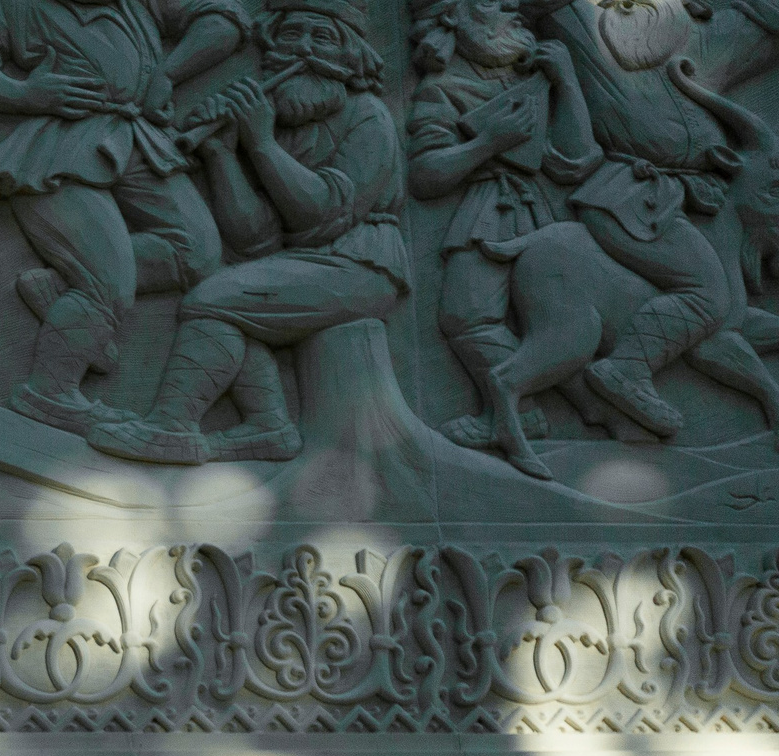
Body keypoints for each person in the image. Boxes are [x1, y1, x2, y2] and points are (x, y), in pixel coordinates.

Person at [88, 0, 409, 464]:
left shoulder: (368, 116)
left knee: (215, 297)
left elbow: (322, 214)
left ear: (350, 56)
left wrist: (259, 144)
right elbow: (254, 241)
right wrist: (220, 153)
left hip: (361, 266)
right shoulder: (276, 119)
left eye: (321, 39)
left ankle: (170, 426)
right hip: (306, 263)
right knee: (224, 290)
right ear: (272, 48)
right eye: (291, 35)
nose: (303, 49)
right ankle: (268, 426)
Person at [0, 0, 244, 433]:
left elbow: (223, 20)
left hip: (136, 140)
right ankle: (50, 391)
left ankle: (66, 288)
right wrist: (24, 94)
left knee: (196, 253)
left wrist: (168, 74)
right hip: (58, 150)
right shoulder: (9, 6)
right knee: (110, 282)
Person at [515, 0, 779, 438]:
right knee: (709, 294)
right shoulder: (590, 40)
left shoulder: (674, 66)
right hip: (624, 202)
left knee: (720, 302)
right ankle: (625, 370)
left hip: (656, 205)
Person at [405, 0, 598, 449]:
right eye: (492, 1)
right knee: (467, 317)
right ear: (452, 16)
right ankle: (532, 412)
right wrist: (489, 143)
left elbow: (578, 159)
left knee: (546, 320)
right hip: (490, 211)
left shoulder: (535, 80)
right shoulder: (444, 88)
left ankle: (571, 406)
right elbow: (426, 174)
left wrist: (567, 82)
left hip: (546, 215)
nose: (513, 8)